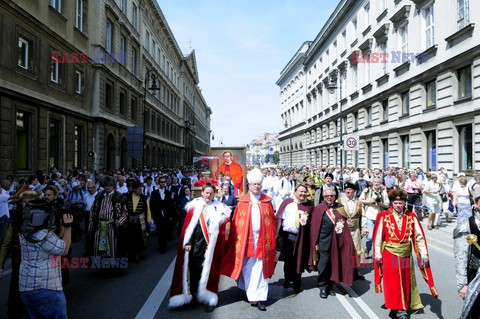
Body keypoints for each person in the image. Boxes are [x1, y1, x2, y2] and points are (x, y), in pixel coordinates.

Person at [372, 189, 438, 319]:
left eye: (400, 203)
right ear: (392, 203)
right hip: (389, 253)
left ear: (404, 203)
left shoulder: (411, 217)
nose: (398, 205)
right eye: (396, 203)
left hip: (406, 254)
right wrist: (378, 254)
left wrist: (424, 254)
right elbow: (378, 238)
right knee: (394, 283)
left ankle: (397, 307)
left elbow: (419, 238)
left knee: (405, 281)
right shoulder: (383, 216)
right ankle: (400, 310)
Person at [168, 183, 230, 313]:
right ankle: (193, 296)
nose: (208, 195)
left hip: (211, 247)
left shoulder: (219, 208)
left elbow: (223, 230)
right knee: (193, 270)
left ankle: (209, 298)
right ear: (202, 193)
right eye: (206, 193)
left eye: (211, 193)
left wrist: (213, 246)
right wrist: (188, 242)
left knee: (211, 272)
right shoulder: (193, 207)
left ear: (214, 194)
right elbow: (187, 228)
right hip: (195, 244)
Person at [221, 168, 276, 311]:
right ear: (249, 186)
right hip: (246, 239)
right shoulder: (242, 202)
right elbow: (237, 221)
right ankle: (251, 293)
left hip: (263, 239)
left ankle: (259, 297)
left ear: (261, 185)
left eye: (258, 184)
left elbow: (272, 221)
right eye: (254, 184)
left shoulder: (267, 201)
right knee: (248, 266)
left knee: (261, 267)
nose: (256, 186)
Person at [19, 200, 73, 319]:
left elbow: (56, 240)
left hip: (26, 287)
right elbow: (64, 250)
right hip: (46, 288)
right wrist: (68, 227)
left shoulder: (24, 232)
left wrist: (61, 226)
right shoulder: (44, 235)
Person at [308, 188, 355, 299]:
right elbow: (314, 227)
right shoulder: (318, 208)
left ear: (335, 196)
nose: (329, 198)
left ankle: (330, 285)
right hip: (324, 241)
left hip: (338, 242)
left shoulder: (340, 208)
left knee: (335, 264)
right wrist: (316, 242)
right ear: (324, 197)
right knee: (323, 265)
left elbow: (345, 224)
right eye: (327, 196)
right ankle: (322, 286)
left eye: (331, 196)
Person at [275, 184, 311, 294]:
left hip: (302, 237)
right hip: (288, 236)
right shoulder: (287, 203)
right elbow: (279, 219)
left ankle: (297, 282)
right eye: (301, 191)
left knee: (299, 259)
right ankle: (287, 277)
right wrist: (276, 235)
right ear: (295, 192)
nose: (303, 194)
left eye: (305, 192)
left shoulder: (308, 205)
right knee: (289, 260)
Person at [88, 176, 128, 265]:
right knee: (99, 247)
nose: (107, 187)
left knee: (113, 247)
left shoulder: (119, 197)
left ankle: (112, 266)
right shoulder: (99, 196)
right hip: (100, 226)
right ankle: (102, 267)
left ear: (113, 186)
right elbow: (93, 211)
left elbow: (125, 212)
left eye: (109, 185)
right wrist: (91, 225)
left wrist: (119, 222)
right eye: (105, 185)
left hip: (112, 227)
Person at [454, 187, 480, 319]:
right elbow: (461, 255)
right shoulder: (467, 224)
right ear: (476, 203)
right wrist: (462, 284)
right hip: (476, 275)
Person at [338, 182, 365, 278]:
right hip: (343, 230)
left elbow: (363, 216)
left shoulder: (359, 202)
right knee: (343, 250)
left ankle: (355, 272)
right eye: (346, 189)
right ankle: (343, 271)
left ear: (354, 191)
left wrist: (364, 228)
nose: (348, 191)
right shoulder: (339, 201)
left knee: (356, 250)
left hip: (355, 230)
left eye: (350, 190)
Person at [359, 177, 389, 257]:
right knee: (370, 236)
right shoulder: (367, 191)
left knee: (380, 237)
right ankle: (368, 249)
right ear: (372, 182)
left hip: (380, 216)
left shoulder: (383, 192)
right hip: (369, 216)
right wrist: (369, 201)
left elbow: (387, 204)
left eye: (378, 182)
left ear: (381, 183)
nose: (376, 183)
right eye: (375, 181)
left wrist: (380, 204)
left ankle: (378, 253)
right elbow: (360, 200)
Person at [126, 180, 151, 262]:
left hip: (140, 222)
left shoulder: (144, 198)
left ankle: (137, 253)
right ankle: (131, 253)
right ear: (134, 189)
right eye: (138, 189)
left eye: (141, 188)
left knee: (139, 238)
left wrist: (148, 220)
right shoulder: (127, 197)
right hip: (129, 221)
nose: (140, 190)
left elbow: (148, 210)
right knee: (130, 238)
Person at [150, 176, 174, 253]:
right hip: (158, 216)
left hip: (166, 216)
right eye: (161, 182)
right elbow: (152, 205)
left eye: (164, 182)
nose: (163, 183)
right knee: (159, 232)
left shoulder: (169, 193)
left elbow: (171, 205)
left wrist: (170, 215)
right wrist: (153, 215)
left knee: (165, 231)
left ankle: (164, 246)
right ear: (159, 182)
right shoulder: (154, 193)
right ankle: (161, 247)